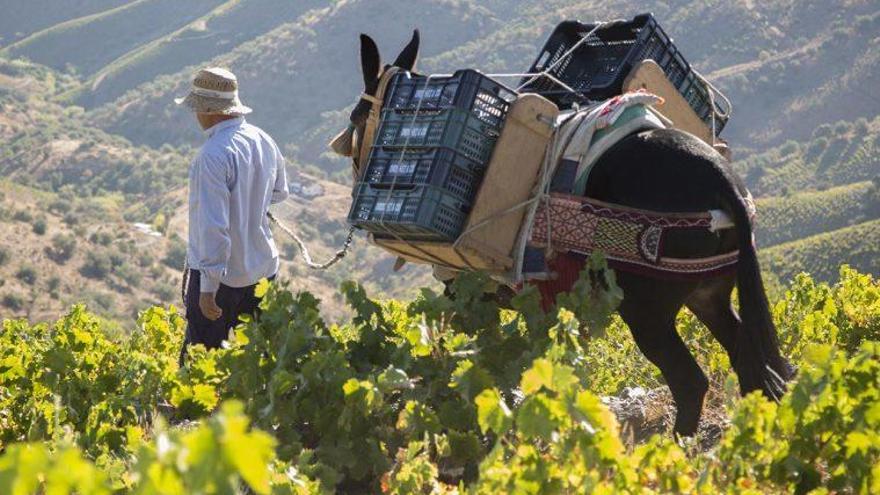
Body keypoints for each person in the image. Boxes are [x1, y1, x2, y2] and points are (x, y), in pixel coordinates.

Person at [175, 67, 288, 357]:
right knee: (256, 361)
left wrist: (208, 288)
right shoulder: (264, 140)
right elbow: (279, 192)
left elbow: (213, 227)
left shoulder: (212, 155)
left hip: (222, 278)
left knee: (201, 366)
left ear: (209, 109)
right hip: (263, 269)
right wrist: (250, 203)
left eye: (197, 108)